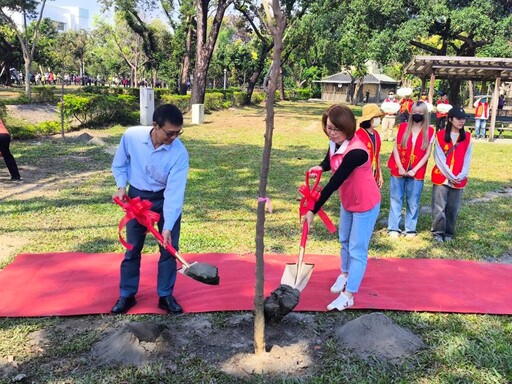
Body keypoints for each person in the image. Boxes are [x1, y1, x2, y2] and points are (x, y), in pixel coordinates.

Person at [111, 104, 189, 314]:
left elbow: (174, 193)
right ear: (155, 125)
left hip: (164, 199)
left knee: (168, 249)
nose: (174, 138)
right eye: (170, 133)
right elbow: (119, 164)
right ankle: (127, 295)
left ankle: (165, 295)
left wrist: (168, 226)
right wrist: (121, 187)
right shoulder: (131, 137)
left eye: (177, 133)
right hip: (137, 199)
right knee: (132, 248)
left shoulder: (179, 153)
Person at [303, 105, 381, 311]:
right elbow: (330, 158)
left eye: (336, 129)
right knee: (344, 239)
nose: (331, 133)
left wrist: (313, 209)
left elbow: (334, 182)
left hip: (366, 204)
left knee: (357, 249)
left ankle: (349, 295)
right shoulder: (335, 142)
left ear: (347, 128)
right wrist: (321, 166)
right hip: (349, 201)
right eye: (328, 128)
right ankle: (345, 274)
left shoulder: (356, 152)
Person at [387, 101, 435, 238]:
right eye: (415, 112)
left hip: (417, 171)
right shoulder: (402, 127)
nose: (417, 115)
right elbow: (395, 148)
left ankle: (410, 229)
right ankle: (393, 228)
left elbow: (427, 154)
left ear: (425, 114)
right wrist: (401, 167)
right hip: (399, 168)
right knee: (396, 199)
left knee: (413, 201)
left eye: (420, 113)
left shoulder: (430, 131)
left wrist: (415, 169)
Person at [431, 106, 473, 242]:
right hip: (442, 176)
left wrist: (462, 175)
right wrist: (450, 175)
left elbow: (467, 157)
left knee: (453, 208)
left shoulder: (467, 137)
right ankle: (438, 232)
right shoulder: (440, 135)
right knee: (439, 207)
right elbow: (439, 159)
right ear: (450, 119)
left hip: (459, 177)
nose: (461, 121)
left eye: (463, 119)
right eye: (458, 119)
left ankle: (449, 233)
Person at [356, 104, 384, 188]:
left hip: (374, 172)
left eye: (378, 117)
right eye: (375, 117)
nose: (378, 119)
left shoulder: (376, 134)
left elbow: (377, 155)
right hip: (361, 175)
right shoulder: (358, 135)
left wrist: (380, 174)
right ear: (368, 119)